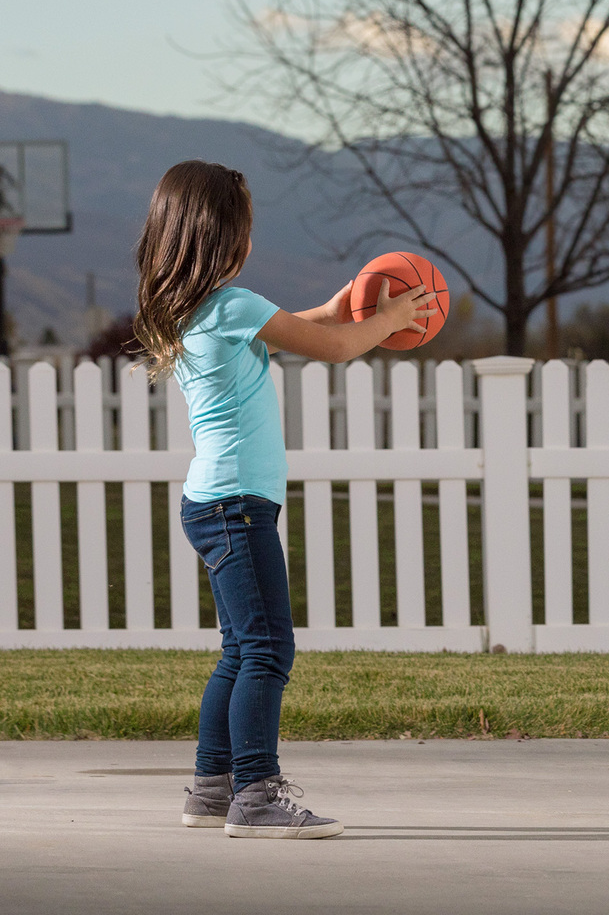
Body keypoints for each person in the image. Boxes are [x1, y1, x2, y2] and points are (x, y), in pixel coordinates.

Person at [136, 160, 436, 840]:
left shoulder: (198, 311)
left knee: (240, 650)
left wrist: (344, 304)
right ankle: (257, 796)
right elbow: (332, 349)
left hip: (213, 503)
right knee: (270, 648)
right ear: (227, 237)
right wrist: (386, 318)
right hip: (238, 506)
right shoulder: (234, 306)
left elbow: (305, 326)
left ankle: (212, 788)